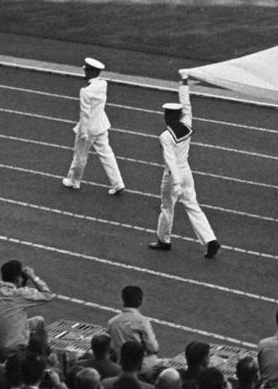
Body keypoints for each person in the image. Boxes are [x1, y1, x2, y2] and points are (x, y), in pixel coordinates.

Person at [151, 81, 220, 258]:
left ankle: (163, 240)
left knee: (167, 207)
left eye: (166, 115)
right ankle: (210, 239)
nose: (165, 117)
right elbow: (187, 105)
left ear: (169, 117)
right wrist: (184, 84)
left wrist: (176, 183)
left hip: (173, 175)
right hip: (187, 171)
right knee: (193, 206)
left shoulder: (165, 136)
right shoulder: (187, 124)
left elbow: (170, 160)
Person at [63, 58, 126, 194]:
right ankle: (118, 183)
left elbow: (85, 114)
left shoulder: (85, 91)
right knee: (107, 155)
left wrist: (83, 132)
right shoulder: (103, 84)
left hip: (89, 128)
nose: (84, 71)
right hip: (101, 125)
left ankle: (74, 181)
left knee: (80, 156)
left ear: (91, 71)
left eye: (86, 69)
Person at [0, 261, 53, 355]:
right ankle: (37, 354)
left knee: (38, 320)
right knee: (40, 322)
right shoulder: (20, 294)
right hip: (13, 347)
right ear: (18, 279)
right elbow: (47, 295)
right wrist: (33, 277)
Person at [105, 286, 159, 380]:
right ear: (140, 301)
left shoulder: (112, 322)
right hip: (142, 367)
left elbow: (111, 347)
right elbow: (153, 348)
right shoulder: (142, 321)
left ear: (123, 300)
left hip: (122, 365)